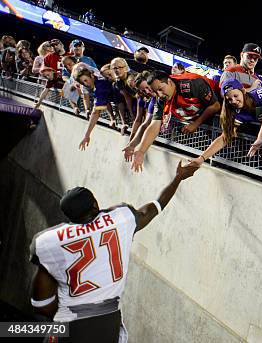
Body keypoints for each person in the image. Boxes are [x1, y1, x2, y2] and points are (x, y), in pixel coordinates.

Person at [29, 161, 197, 342]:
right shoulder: (122, 220)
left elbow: (41, 305)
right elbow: (154, 207)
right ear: (94, 205)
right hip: (108, 323)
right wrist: (178, 178)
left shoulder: (48, 241)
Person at [131, 70, 221, 172]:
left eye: (161, 89)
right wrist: (141, 150)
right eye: (155, 91)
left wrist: (196, 123)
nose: (159, 95)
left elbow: (215, 105)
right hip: (202, 117)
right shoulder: (161, 98)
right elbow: (154, 124)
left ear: (169, 81)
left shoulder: (192, 84)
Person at [189, 79, 262, 167]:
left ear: (243, 91)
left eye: (236, 96)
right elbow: (224, 137)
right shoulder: (237, 113)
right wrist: (201, 158)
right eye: (229, 99)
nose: (234, 101)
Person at [74, 64, 116, 150]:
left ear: (92, 76)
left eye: (86, 80)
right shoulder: (97, 83)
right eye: (83, 82)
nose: (85, 84)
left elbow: (96, 112)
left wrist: (87, 135)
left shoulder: (100, 87)